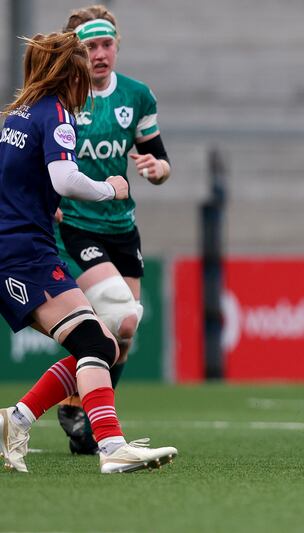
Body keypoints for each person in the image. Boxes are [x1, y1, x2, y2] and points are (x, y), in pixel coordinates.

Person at [0, 31, 177, 474]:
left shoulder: (19, 112)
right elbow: (64, 178)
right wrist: (111, 188)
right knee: (97, 342)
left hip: (22, 247)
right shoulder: (57, 112)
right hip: (23, 254)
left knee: (100, 344)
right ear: (73, 75)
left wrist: (41, 204)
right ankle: (112, 447)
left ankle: (15, 420)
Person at [53, 5, 172, 455]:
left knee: (123, 333)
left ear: (117, 46)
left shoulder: (137, 96)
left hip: (122, 226)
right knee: (120, 317)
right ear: (75, 52)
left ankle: (80, 410)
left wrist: (156, 170)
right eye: (90, 47)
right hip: (76, 226)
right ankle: (86, 412)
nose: (100, 54)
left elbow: (159, 160)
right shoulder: (63, 97)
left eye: (106, 45)